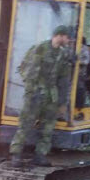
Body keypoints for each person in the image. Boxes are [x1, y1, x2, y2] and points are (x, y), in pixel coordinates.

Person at [11, 25, 75, 167]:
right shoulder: (40, 49)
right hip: (35, 93)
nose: (68, 40)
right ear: (59, 35)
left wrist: (63, 102)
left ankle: (40, 155)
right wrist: (31, 92)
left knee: (48, 127)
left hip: (51, 96)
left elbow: (64, 80)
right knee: (26, 124)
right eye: (67, 37)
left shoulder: (63, 54)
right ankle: (16, 155)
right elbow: (27, 71)